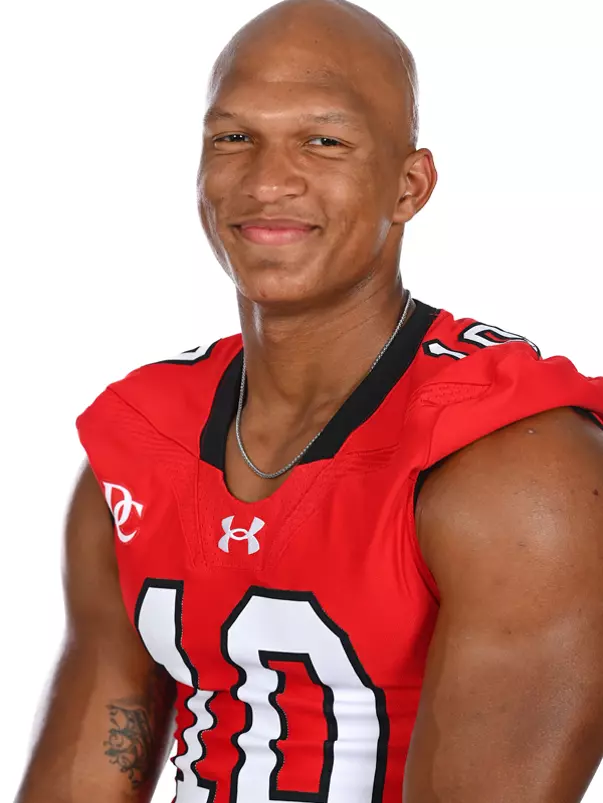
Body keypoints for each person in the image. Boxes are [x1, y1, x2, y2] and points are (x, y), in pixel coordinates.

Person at [15, 0, 603, 801]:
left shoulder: (517, 461)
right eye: (233, 138)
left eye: (323, 141)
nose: (266, 181)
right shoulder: (143, 441)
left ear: (409, 185)